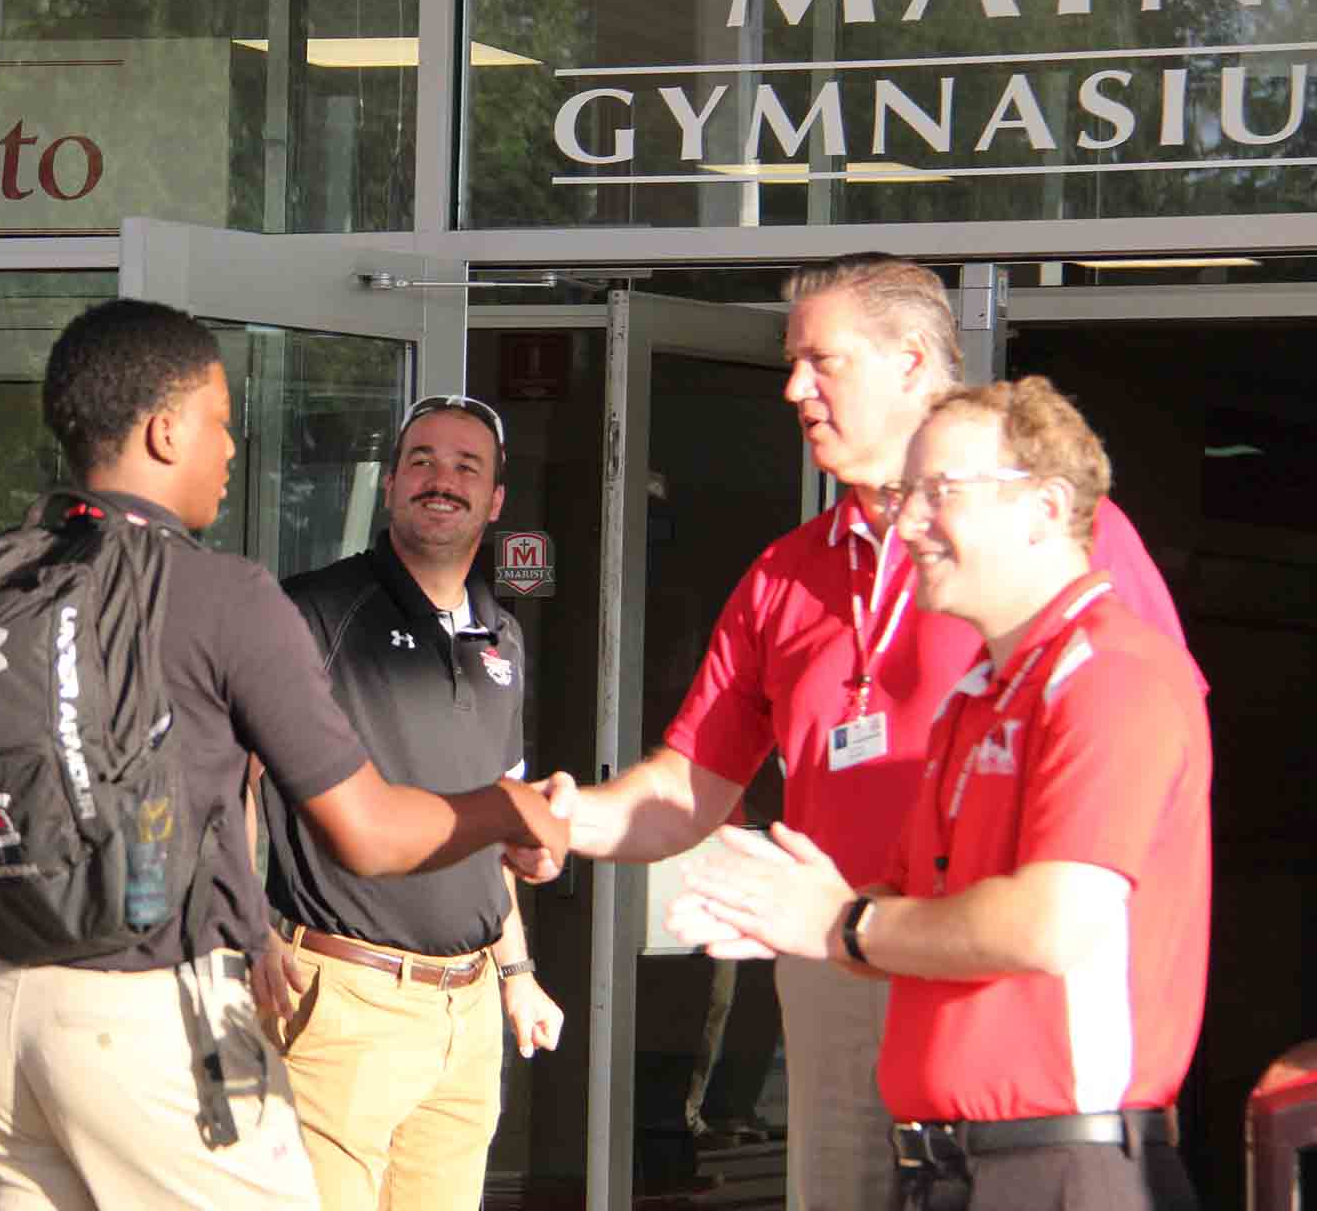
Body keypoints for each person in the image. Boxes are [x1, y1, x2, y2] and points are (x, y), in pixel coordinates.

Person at [517, 254, 1201, 1211]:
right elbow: (692, 782)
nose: (794, 388)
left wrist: (857, 918)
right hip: (842, 965)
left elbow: (1133, 799)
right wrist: (566, 819)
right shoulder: (787, 572)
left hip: (1001, 985)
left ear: (915, 363)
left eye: (820, 361)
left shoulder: (1070, 570)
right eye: (791, 363)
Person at [0, 298, 569, 1211]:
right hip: (152, 1011)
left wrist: (5, 1015)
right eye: (221, 425)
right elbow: (370, 833)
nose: (232, 451)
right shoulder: (231, 595)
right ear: (165, 429)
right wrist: (511, 810)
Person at [674, 377, 1208, 1209]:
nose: (909, 523)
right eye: (907, 493)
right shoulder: (981, 695)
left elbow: (1049, 925)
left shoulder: (1111, 674)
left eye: (941, 494)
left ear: (1043, 507)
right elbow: (915, 903)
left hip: (1064, 1164)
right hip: (956, 1166)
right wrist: (792, 908)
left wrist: (843, 922)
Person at [251, 393, 565, 1211]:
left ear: (495, 502)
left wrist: (517, 972)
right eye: (423, 460)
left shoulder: (504, 636)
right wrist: (245, 930)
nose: (443, 480)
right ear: (391, 484)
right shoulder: (312, 611)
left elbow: (491, 822)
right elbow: (230, 782)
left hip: (465, 1015)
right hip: (343, 1000)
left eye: (468, 467)